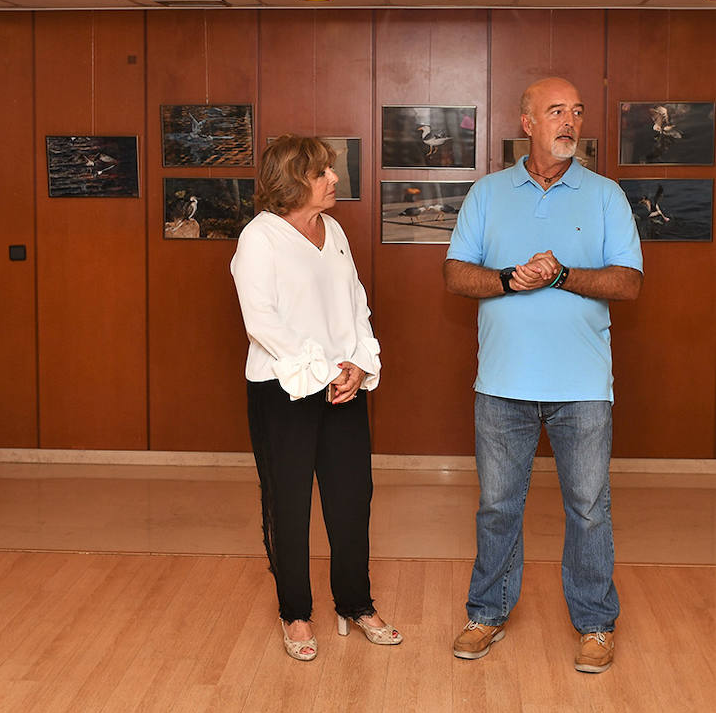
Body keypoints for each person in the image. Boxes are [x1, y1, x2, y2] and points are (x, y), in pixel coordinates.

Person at [444, 77, 643, 673]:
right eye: (556, 111)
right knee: (498, 507)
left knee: (588, 508)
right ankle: (487, 614)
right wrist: (511, 278)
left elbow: (629, 283)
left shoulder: (606, 194)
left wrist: (559, 275)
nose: (570, 122)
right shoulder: (487, 193)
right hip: (502, 386)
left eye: (577, 112)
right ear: (526, 122)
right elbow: (456, 274)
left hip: (582, 388)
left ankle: (595, 625)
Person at [230, 134, 398, 662]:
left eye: (331, 171)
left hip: (343, 387)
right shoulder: (259, 238)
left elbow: (355, 305)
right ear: (292, 180)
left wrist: (359, 365)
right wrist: (324, 370)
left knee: (353, 499)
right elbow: (263, 324)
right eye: (322, 172)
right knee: (290, 502)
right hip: (284, 390)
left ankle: (355, 602)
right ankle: (296, 614)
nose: (332, 180)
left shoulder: (336, 230)